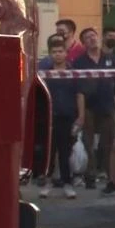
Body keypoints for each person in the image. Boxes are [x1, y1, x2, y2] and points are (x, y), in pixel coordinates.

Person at [73, 28, 115, 189]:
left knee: (110, 142)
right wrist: (80, 114)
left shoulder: (110, 58)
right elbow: (79, 90)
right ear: (83, 43)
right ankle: (90, 176)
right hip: (88, 107)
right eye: (87, 37)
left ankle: (111, 177)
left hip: (107, 106)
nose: (92, 39)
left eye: (93, 36)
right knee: (88, 143)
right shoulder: (79, 62)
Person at [39, 34, 82, 199]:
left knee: (65, 152)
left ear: (66, 53)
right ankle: (47, 182)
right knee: (49, 152)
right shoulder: (45, 74)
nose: (57, 54)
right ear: (50, 54)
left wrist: (81, 117)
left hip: (68, 117)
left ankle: (67, 184)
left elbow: (80, 95)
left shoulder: (73, 73)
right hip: (49, 119)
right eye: (54, 51)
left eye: (60, 51)